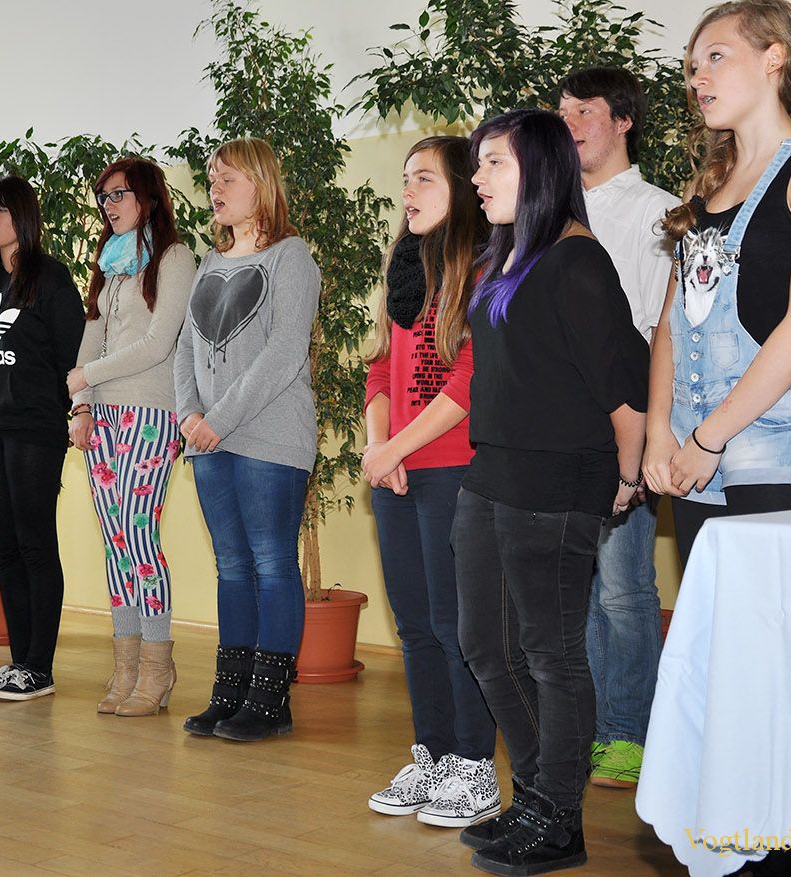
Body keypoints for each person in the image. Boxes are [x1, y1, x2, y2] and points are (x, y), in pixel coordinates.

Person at [453, 110, 649, 876]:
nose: (478, 178)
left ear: (539, 169)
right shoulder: (506, 257)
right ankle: (538, 794)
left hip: (558, 481)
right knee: (485, 645)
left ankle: (559, 819)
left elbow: (624, 389)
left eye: (494, 163)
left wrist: (627, 477)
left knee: (552, 655)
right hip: (493, 474)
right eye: (478, 164)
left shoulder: (578, 261)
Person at [643, 0, 791, 568]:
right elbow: (671, 324)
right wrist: (661, 429)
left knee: (774, 620)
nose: (697, 78)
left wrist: (709, 438)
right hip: (694, 445)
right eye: (692, 67)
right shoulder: (704, 188)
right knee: (717, 618)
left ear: (774, 58)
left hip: (781, 445)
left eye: (716, 57)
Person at [359, 136, 498, 826]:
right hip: (398, 471)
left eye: (423, 179)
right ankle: (434, 755)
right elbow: (380, 370)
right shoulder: (405, 268)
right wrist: (377, 447)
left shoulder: (486, 269)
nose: (407, 192)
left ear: (463, 190)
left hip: (453, 470)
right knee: (414, 623)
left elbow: (470, 381)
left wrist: (397, 449)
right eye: (404, 179)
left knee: (456, 624)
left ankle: (475, 766)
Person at [557, 66, 681, 791]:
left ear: (624, 120)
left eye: (586, 111)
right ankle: (589, 729)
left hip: (624, 425)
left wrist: (643, 437)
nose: (569, 123)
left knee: (624, 592)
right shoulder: (549, 213)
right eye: (562, 112)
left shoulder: (657, 212)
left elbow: (658, 333)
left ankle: (630, 734)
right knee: (571, 591)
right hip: (559, 432)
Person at [174, 137, 320, 743]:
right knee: (232, 566)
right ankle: (229, 694)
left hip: (270, 438)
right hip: (208, 439)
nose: (215, 188)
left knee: (271, 562)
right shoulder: (210, 262)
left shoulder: (291, 257)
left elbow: (284, 353)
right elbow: (186, 346)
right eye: (212, 178)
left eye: (226, 178)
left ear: (260, 184)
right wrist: (188, 413)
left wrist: (220, 418)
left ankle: (270, 700)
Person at [69, 158, 195, 717]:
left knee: (140, 538)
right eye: (104, 197)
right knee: (115, 541)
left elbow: (159, 342)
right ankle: (126, 666)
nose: (109, 205)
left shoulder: (174, 257)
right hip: (102, 415)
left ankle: (157, 665)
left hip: (150, 410)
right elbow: (90, 337)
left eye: (118, 194)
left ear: (148, 197)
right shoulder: (111, 263)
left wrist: (85, 377)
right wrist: (80, 404)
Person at [0, 175, 85, 701]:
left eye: (0, 210)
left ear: (24, 216)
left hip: (34, 429)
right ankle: (19, 662)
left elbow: (72, 357)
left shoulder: (51, 278)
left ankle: (40, 666)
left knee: (36, 545)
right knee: (6, 548)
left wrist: (77, 410)